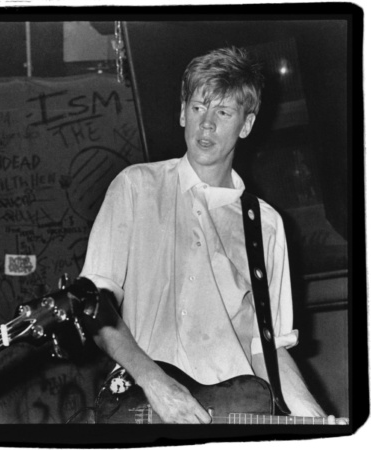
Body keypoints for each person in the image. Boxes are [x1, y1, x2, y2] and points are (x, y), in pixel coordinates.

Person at [80, 46, 345, 424]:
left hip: (234, 414)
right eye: (199, 107)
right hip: (144, 407)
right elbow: (94, 310)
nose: (206, 124)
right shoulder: (135, 187)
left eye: (223, 112)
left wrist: (316, 418)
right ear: (182, 112)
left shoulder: (265, 225)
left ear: (247, 124)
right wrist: (157, 384)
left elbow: (267, 349)